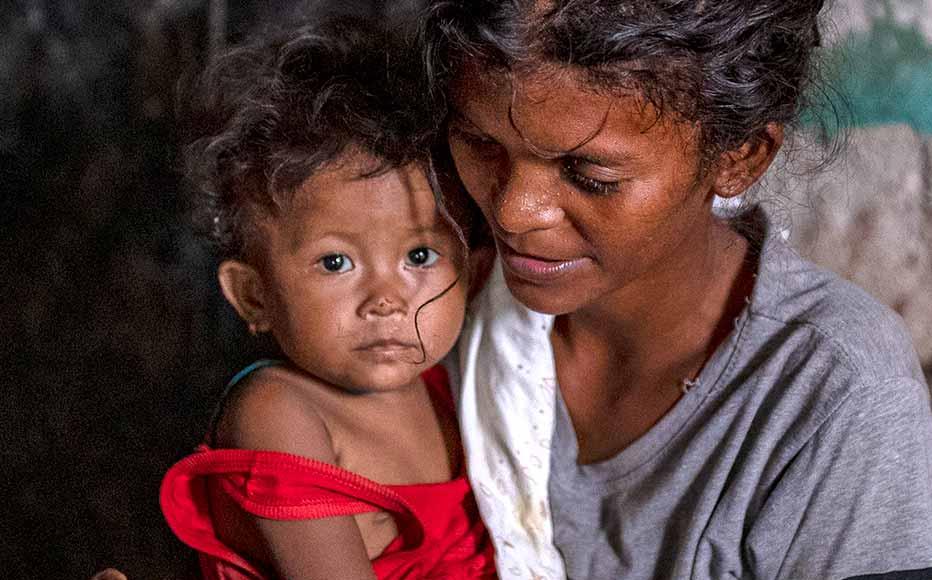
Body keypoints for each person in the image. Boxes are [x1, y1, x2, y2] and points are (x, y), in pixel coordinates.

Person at [420, 1, 932, 579]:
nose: (514, 212)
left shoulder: (840, 395)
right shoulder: (428, 304)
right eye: (481, 145)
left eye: (591, 176)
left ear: (739, 157)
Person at [159, 16, 495, 580]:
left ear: (473, 272)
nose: (385, 299)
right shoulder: (279, 412)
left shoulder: (453, 390)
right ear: (253, 296)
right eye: (336, 262)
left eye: (419, 256)